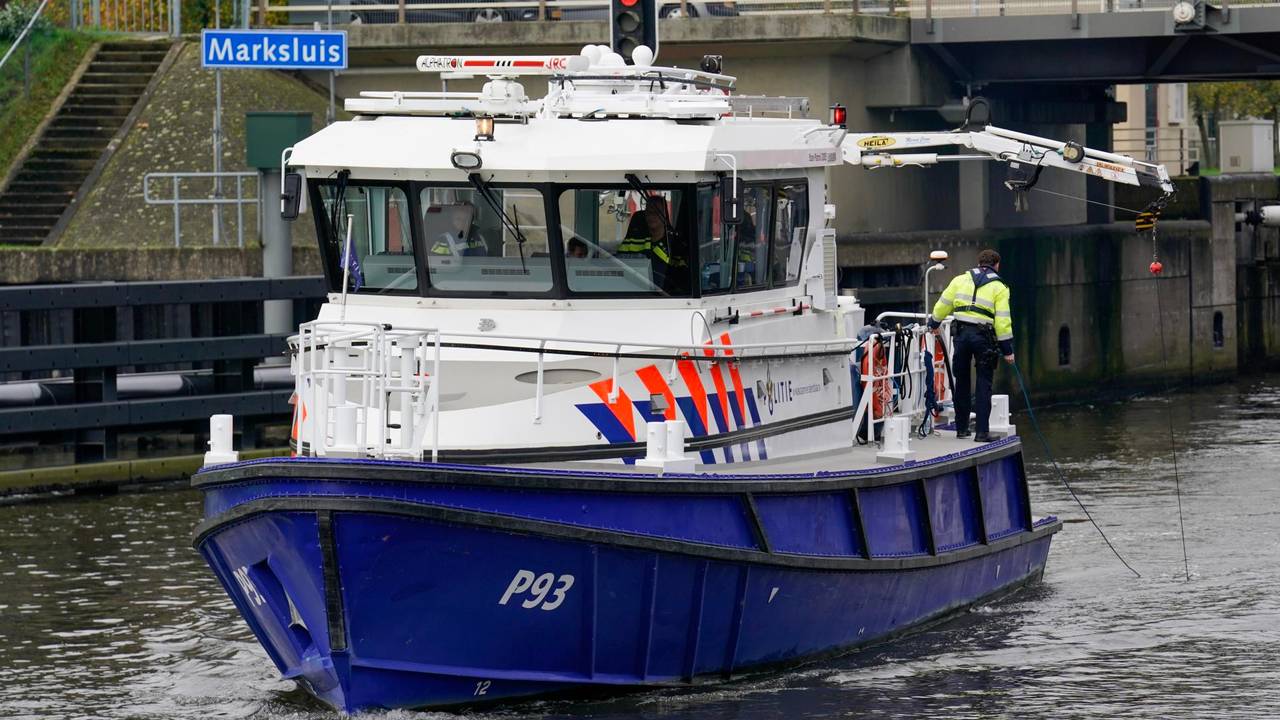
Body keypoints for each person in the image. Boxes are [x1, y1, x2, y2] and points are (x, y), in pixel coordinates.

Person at [928, 248, 1014, 442]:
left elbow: (943, 304)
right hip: (983, 338)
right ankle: (982, 433)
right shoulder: (1000, 288)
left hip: (961, 336)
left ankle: (962, 429)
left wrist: (934, 323)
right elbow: (1002, 322)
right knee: (984, 383)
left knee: (962, 382)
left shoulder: (960, 280)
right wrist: (1008, 350)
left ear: (978, 263)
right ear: (997, 265)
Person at [618, 198, 684, 290]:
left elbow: (681, 276)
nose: (651, 216)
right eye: (648, 212)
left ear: (664, 215)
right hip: (634, 290)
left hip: (665, 296)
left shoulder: (674, 243)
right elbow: (618, 263)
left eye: (656, 212)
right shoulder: (633, 239)